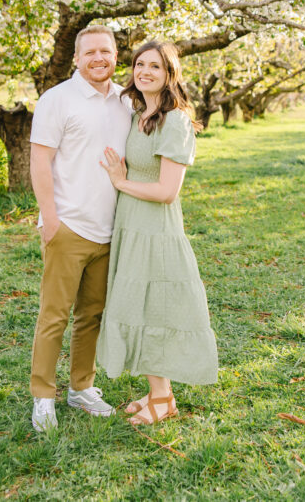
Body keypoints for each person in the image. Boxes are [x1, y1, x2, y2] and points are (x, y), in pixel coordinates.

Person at [97, 40, 218, 425]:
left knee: (156, 307)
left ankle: (163, 400)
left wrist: (120, 181)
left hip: (155, 228)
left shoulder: (175, 120)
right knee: (139, 304)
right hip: (132, 225)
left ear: (169, 75)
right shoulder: (139, 114)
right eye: (139, 64)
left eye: (155, 66)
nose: (145, 71)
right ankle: (156, 391)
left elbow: (167, 192)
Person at [27, 24, 133, 432]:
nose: (98, 58)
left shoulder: (125, 101)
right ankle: (43, 397)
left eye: (105, 51)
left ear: (115, 56)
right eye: (89, 52)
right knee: (54, 316)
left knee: (92, 315)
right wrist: (49, 218)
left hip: (110, 230)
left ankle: (81, 388)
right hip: (68, 226)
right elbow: (40, 162)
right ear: (76, 58)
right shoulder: (57, 100)